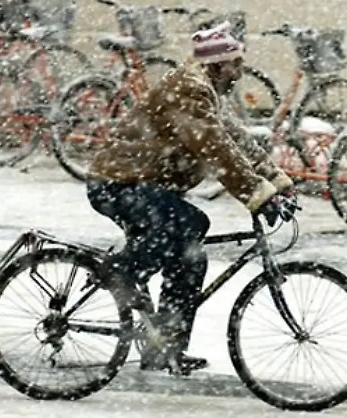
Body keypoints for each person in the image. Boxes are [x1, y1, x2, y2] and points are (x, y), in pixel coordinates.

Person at [85, 21, 297, 374]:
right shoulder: (189, 90)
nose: (239, 72)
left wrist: (275, 179)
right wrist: (258, 195)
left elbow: (233, 139)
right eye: (235, 65)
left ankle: (163, 348)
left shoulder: (204, 90)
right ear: (216, 65)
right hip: (116, 183)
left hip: (145, 185)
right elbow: (216, 150)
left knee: (191, 258)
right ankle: (120, 273)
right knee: (190, 222)